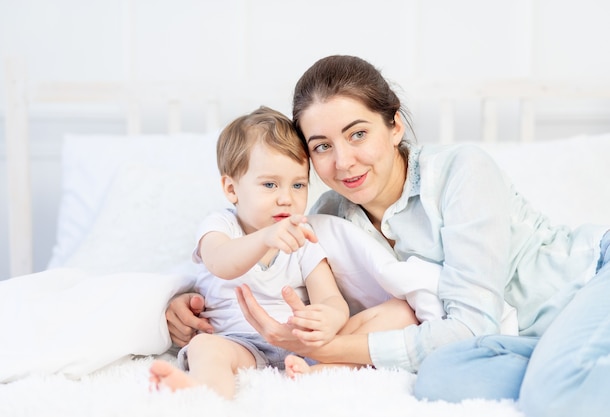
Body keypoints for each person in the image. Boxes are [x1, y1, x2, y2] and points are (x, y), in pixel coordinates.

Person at [165, 56, 610, 416]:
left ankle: (562, 375)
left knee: (555, 394)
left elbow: (472, 324)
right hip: (522, 339)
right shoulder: (329, 222)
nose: (343, 162)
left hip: (588, 283)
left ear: (395, 126)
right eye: (321, 146)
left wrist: (334, 349)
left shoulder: (461, 172)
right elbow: (298, 290)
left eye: (358, 134)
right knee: (439, 379)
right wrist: (187, 301)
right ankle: (564, 367)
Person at [150, 106, 423, 398]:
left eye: (298, 185)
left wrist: (326, 317)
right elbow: (221, 262)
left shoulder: (304, 237)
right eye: (270, 185)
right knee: (205, 347)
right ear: (231, 189)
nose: (286, 198)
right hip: (239, 345)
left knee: (401, 312)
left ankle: (318, 372)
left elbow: (330, 297)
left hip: (302, 345)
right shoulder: (221, 226)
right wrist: (266, 238)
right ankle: (207, 393)